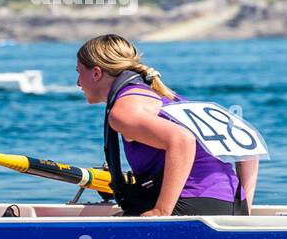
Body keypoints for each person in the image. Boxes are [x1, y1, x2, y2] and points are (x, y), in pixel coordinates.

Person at [76, 33, 258, 216]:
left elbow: (182, 140)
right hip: (233, 205)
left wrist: (161, 211)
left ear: (96, 73)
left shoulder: (124, 110)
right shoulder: (170, 99)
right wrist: (244, 210)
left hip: (194, 205)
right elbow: (248, 146)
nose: (78, 83)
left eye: (79, 72)